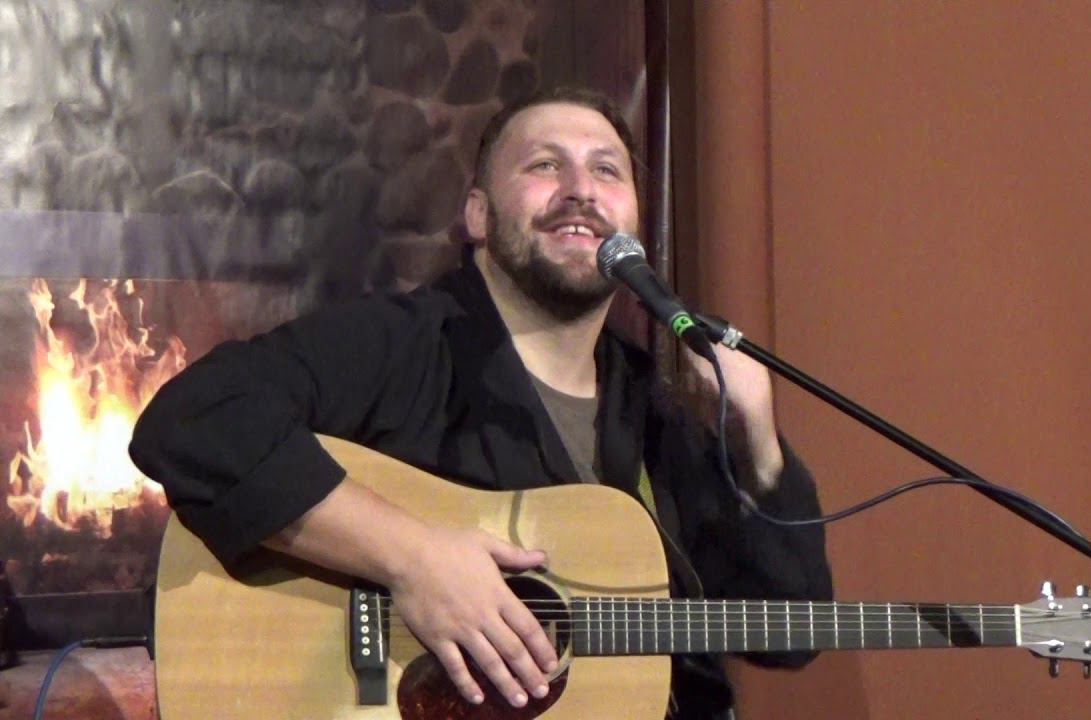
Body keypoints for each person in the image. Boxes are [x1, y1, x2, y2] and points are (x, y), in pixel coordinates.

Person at [129, 86, 832, 719]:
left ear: (634, 228)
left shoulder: (651, 411)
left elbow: (789, 630)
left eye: (607, 171)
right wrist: (413, 560)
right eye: (545, 165)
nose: (580, 190)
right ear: (478, 215)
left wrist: (757, 439)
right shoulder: (402, 343)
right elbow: (191, 420)